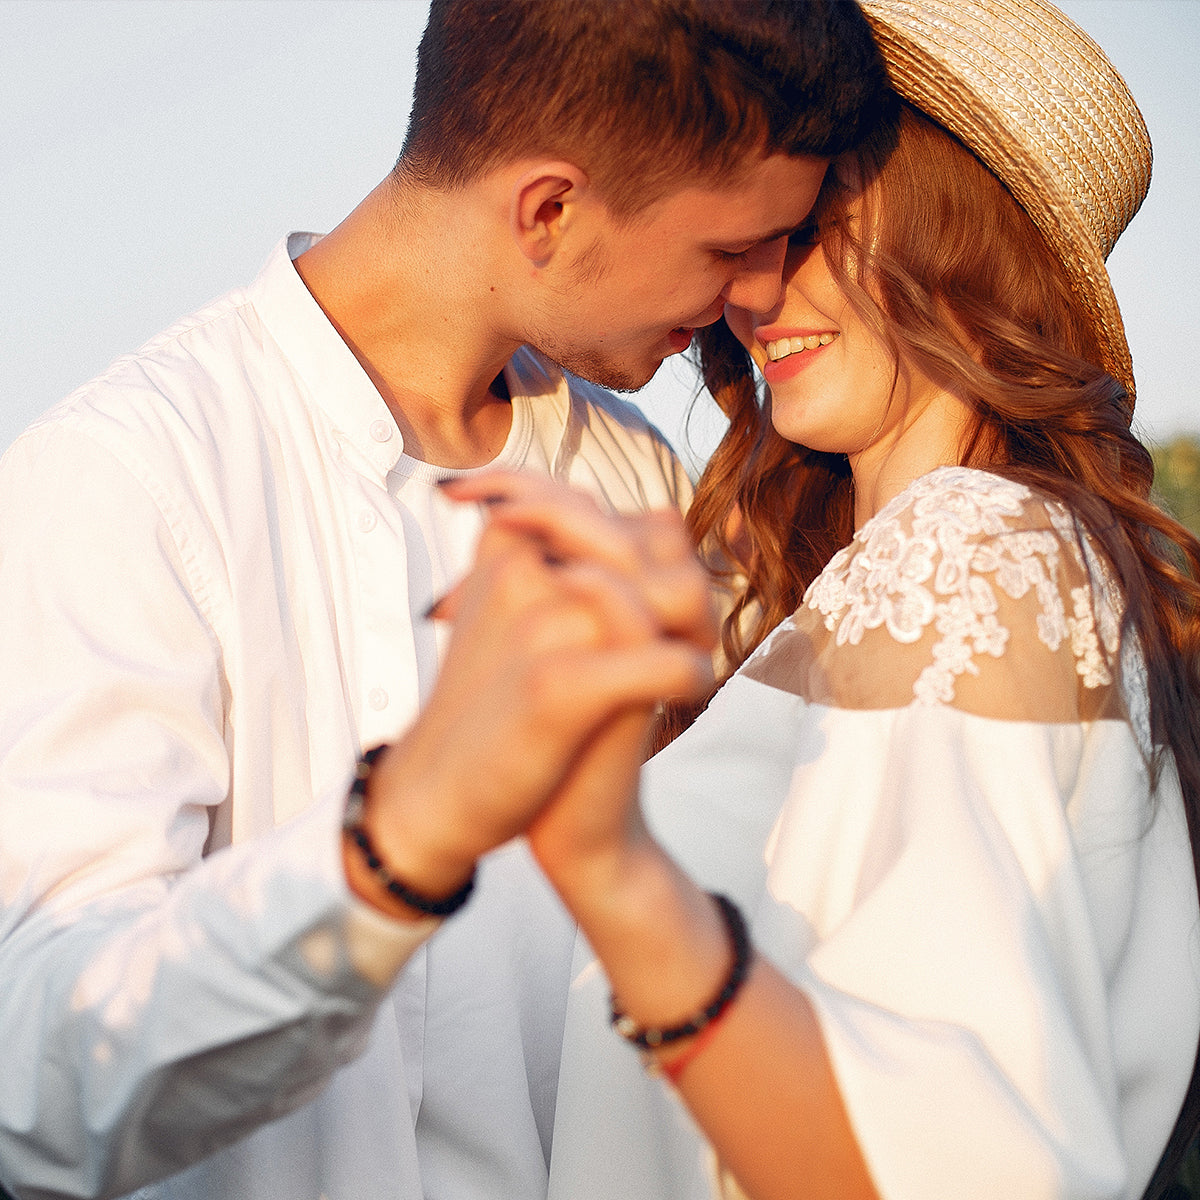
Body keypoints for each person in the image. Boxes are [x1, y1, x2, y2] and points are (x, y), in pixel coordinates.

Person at [0, 3, 891, 1198]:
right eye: (733, 246)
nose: (765, 287)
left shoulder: (645, 490)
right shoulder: (126, 477)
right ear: (550, 210)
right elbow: (38, 1088)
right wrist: (399, 837)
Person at [368, 0, 1200, 1196]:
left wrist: (612, 871)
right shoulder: (889, 584)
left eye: (810, 228)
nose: (754, 290)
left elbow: (948, 1163)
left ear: (955, 240)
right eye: (749, 230)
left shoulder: (968, 553)